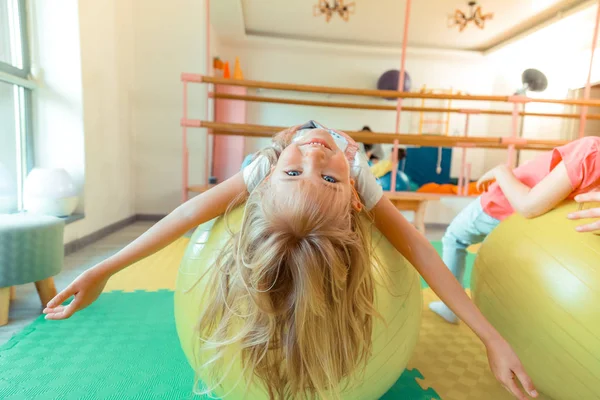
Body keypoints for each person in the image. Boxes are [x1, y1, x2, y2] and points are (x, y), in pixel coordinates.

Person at [43, 121, 537, 400]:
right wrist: (103, 269)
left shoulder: (272, 165)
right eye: (320, 175)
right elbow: (188, 214)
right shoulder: (353, 178)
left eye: (315, 173)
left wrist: (102, 268)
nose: (317, 155)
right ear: (354, 201)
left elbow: (422, 253)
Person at [430, 136, 600, 325]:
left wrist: (500, 171)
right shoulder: (591, 152)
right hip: (524, 209)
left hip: (504, 205)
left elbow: (527, 206)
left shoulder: (592, 152)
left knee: (454, 239)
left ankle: (449, 307)